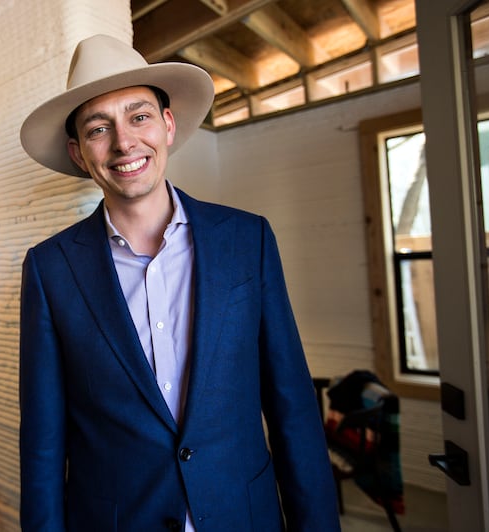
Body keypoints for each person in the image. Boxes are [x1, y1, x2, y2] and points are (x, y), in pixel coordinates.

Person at [17, 34, 341, 532]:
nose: (124, 142)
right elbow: (42, 443)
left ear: (167, 126)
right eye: (99, 128)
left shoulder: (246, 239)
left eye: (139, 116)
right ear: (80, 153)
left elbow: (292, 406)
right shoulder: (49, 269)